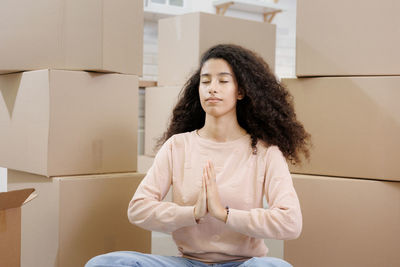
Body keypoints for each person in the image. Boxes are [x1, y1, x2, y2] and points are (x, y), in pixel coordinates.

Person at [85, 44, 311, 267]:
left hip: (244, 264)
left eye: (223, 81)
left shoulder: (265, 152)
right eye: (205, 81)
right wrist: (192, 213)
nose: (212, 88)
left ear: (241, 91)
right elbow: (138, 209)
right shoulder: (178, 146)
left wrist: (224, 214)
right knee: (104, 263)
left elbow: (291, 223)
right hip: (189, 263)